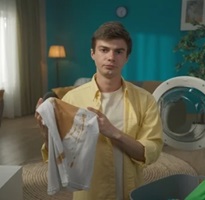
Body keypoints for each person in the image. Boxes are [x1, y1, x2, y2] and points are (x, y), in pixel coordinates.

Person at [35, 21, 163, 200]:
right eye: (104, 50)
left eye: (119, 51)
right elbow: (61, 157)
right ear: (92, 54)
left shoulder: (145, 100)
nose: (111, 57)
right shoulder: (72, 99)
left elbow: (151, 151)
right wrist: (47, 133)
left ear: (127, 57)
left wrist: (114, 133)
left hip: (131, 192)